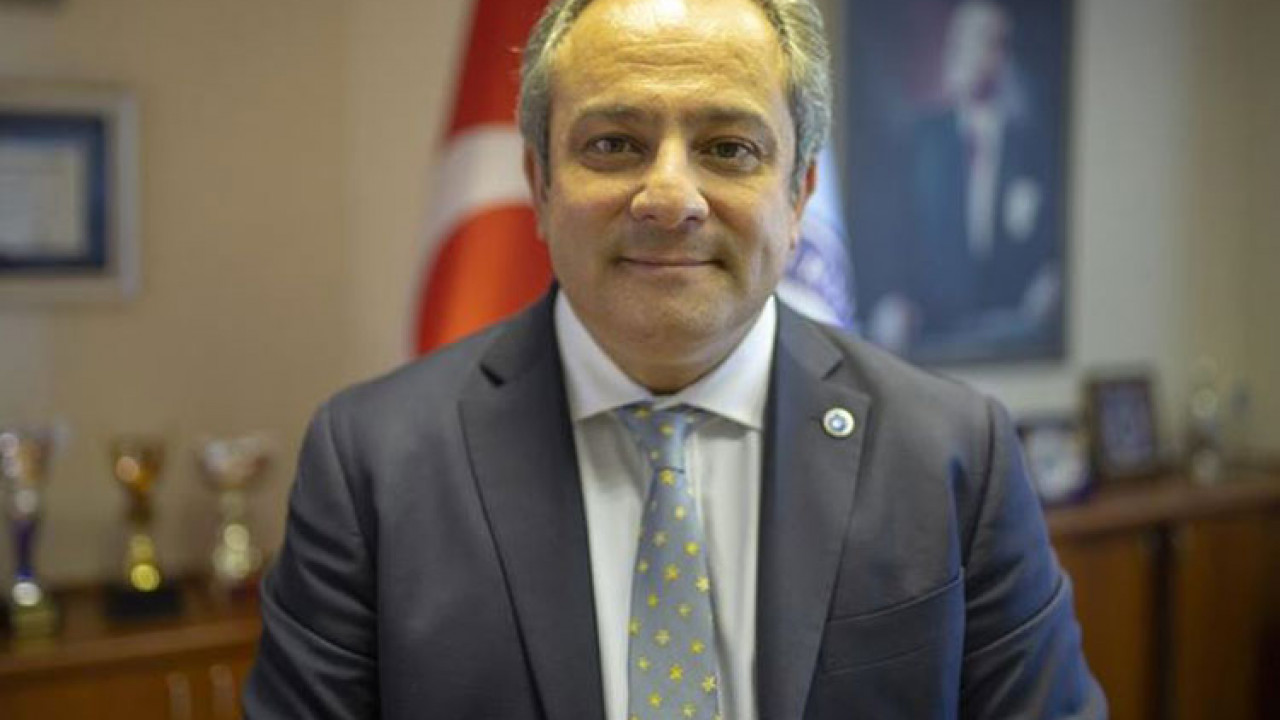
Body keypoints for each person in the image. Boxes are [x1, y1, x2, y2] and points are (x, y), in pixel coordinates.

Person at [244, 0, 1104, 717]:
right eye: (613, 143)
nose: (669, 198)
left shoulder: (953, 455)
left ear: (799, 197)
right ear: (540, 186)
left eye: (728, 148)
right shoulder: (372, 465)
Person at [867, 0, 1063, 360]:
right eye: (959, 42)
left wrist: (1053, 279)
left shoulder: (1032, 147)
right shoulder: (919, 142)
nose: (963, 53)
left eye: (980, 40)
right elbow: (891, 235)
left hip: (1011, 337)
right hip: (931, 334)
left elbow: (1054, 240)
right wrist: (891, 299)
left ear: (1002, 53)